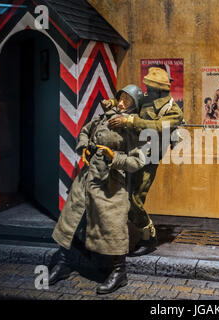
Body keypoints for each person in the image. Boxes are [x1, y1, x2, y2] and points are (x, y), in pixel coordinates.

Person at [49, 85, 146, 294]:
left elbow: (138, 161)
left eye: (127, 102)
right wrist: (84, 147)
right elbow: (85, 131)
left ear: (134, 107)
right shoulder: (105, 116)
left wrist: (115, 157)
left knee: (112, 225)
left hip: (111, 182)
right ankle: (64, 263)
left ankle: (119, 272)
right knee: (71, 221)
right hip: (86, 177)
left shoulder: (133, 128)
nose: (120, 104)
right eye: (121, 99)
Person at [104, 67, 183, 256]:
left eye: (152, 87)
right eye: (147, 86)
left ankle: (148, 237)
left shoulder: (173, 110)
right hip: (131, 150)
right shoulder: (147, 100)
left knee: (135, 200)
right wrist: (113, 102)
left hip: (150, 154)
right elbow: (131, 101)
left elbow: (157, 126)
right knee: (122, 193)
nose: (147, 90)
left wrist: (129, 121)